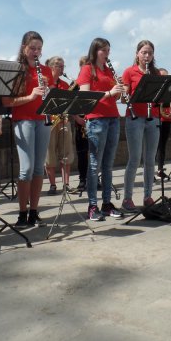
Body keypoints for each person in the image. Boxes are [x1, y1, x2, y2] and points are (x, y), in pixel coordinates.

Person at [1, 31, 54, 228]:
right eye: (32, 48)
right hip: (23, 120)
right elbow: (7, 102)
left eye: (39, 48)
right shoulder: (15, 70)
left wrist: (47, 93)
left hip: (43, 120)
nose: (36, 52)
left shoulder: (46, 71)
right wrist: (31, 97)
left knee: (39, 168)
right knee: (27, 169)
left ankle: (34, 212)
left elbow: (49, 99)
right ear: (24, 48)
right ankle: (22, 213)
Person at [76, 38, 125, 221]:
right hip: (96, 120)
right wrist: (110, 93)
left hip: (113, 118)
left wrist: (118, 90)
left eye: (108, 50)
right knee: (95, 164)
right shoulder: (87, 69)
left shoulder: (109, 71)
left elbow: (115, 97)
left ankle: (106, 204)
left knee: (108, 165)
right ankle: (92, 205)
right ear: (95, 51)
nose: (107, 53)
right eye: (103, 50)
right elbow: (85, 96)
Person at [121, 40, 161, 212]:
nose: (147, 56)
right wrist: (125, 94)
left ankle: (147, 196)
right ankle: (127, 198)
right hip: (135, 118)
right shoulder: (129, 72)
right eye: (144, 52)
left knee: (150, 160)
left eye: (150, 53)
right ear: (137, 53)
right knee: (135, 159)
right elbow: (124, 99)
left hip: (153, 118)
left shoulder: (156, 73)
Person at [44, 56, 75, 196]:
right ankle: (52, 185)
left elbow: (69, 104)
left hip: (64, 121)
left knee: (66, 153)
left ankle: (66, 184)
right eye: (59, 66)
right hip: (49, 122)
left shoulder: (64, 84)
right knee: (49, 155)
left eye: (63, 66)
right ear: (51, 67)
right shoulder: (44, 83)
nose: (62, 69)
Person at [73, 56, 89, 194]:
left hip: (93, 121)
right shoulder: (75, 84)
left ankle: (95, 179)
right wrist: (77, 118)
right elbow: (70, 104)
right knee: (82, 154)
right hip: (81, 123)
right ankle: (82, 179)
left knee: (95, 153)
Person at [155, 67, 171, 182]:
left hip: (167, 119)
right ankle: (153, 172)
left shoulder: (169, 90)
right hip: (157, 119)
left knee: (162, 146)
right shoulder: (155, 90)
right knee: (154, 147)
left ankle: (160, 169)